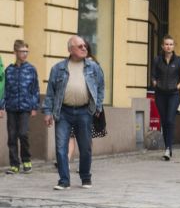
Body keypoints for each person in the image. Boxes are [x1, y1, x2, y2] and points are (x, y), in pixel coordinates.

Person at [43, 36, 105, 190]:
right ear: (70, 49)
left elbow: (101, 87)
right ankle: (64, 180)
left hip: (85, 111)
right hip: (63, 111)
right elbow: (50, 92)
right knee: (60, 147)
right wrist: (47, 112)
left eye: (84, 45)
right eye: (80, 46)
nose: (84, 48)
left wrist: (97, 106)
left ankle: (85, 177)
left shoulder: (93, 67)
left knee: (85, 147)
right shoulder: (58, 68)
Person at [2, 40, 40, 173]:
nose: (25, 54)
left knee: (23, 134)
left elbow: (35, 89)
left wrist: (34, 106)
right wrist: (1, 107)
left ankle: (26, 160)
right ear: (15, 52)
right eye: (22, 51)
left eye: (26, 51)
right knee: (12, 136)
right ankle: (14, 164)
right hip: (11, 107)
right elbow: (4, 89)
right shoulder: (9, 70)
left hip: (25, 107)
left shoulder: (31, 69)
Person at [150, 35, 180, 161]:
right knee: (164, 121)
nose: (168, 46)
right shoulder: (157, 60)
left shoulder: (179, 60)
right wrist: (155, 83)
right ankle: (167, 147)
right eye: (166, 44)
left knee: (170, 120)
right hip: (160, 94)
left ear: (173, 46)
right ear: (162, 46)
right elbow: (153, 75)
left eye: (171, 44)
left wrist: (178, 86)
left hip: (174, 94)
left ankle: (168, 148)